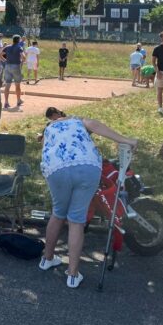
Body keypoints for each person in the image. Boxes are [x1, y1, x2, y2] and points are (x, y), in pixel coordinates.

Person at [38, 107, 138, 289]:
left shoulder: (49, 129)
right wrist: (126, 140)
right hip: (87, 165)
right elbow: (94, 124)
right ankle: (73, 274)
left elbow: (44, 149)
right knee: (76, 220)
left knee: (58, 213)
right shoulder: (77, 120)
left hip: (56, 168)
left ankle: (47, 258)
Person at [0, 34, 25, 109]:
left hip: (7, 66)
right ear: (19, 40)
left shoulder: (7, 47)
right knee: (17, 85)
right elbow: (23, 57)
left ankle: (6, 102)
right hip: (16, 66)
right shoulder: (19, 47)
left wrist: (5, 61)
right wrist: (21, 62)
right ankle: (18, 100)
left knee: (7, 85)